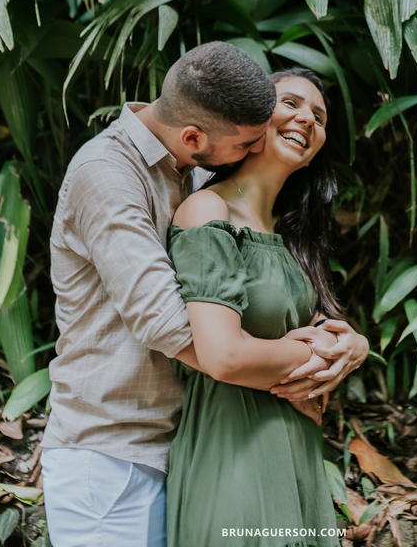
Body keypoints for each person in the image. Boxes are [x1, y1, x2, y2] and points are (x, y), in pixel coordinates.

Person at [41, 44, 368, 547]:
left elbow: (258, 303)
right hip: (112, 451)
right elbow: (168, 324)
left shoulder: (189, 168)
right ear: (195, 136)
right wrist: (299, 371)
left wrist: (349, 347)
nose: (254, 145)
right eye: (247, 142)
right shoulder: (106, 173)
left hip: (184, 439)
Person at [166, 68, 357, 547]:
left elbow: (315, 326)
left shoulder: (289, 236)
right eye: (290, 103)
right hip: (234, 457)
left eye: (319, 114)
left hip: (295, 454)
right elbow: (223, 355)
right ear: (251, 118)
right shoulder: (208, 211)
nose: (306, 119)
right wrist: (317, 360)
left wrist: (358, 344)